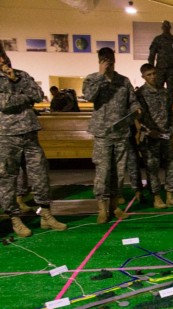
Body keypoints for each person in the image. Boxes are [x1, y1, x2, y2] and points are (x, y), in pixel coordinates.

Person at [0, 48, 67, 237]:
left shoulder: (22, 75)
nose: (3, 60)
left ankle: (46, 214)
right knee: (7, 178)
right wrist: (25, 97)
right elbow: (3, 103)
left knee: (40, 174)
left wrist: (16, 81)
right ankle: (14, 218)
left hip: (29, 132)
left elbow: (38, 94)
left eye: (3, 56)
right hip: (6, 135)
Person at [83, 47, 141, 223]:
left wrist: (136, 109)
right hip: (102, 134)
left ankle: (115, 206)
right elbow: (88, 96)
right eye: (104, 59)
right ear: (99, 60)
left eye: (111, 58)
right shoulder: (92, 79)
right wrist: (101, 75)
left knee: (118, 172)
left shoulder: (123, 81)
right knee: (103, 172)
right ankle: (102, 208)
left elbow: (132, 100)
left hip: (121, 133)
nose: (108, 61)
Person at [136, 63, 173, 209]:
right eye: (149, 75)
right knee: (152, 168)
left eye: (154, 73)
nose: (152, 77)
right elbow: (137, 118)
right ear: (143, 76)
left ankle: (170, 196)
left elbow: (170, 113)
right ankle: (156, 197)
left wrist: (171, 129)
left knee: (171, 165)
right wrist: (149, 131)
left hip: (166, 135)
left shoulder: (164, 92)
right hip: (150, 137)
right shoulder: (139, 94)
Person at [148, 20, 173, 103]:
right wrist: (151, 69)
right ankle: (160, 107)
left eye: (167, 27)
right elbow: (152, 55)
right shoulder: (158, 39)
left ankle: (168, 110)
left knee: (170, 90)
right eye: (165, 27)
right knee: (158, 89)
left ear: (169, 28)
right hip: (161, 68)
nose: (166, 28)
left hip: (171, 68)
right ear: (162, 28)